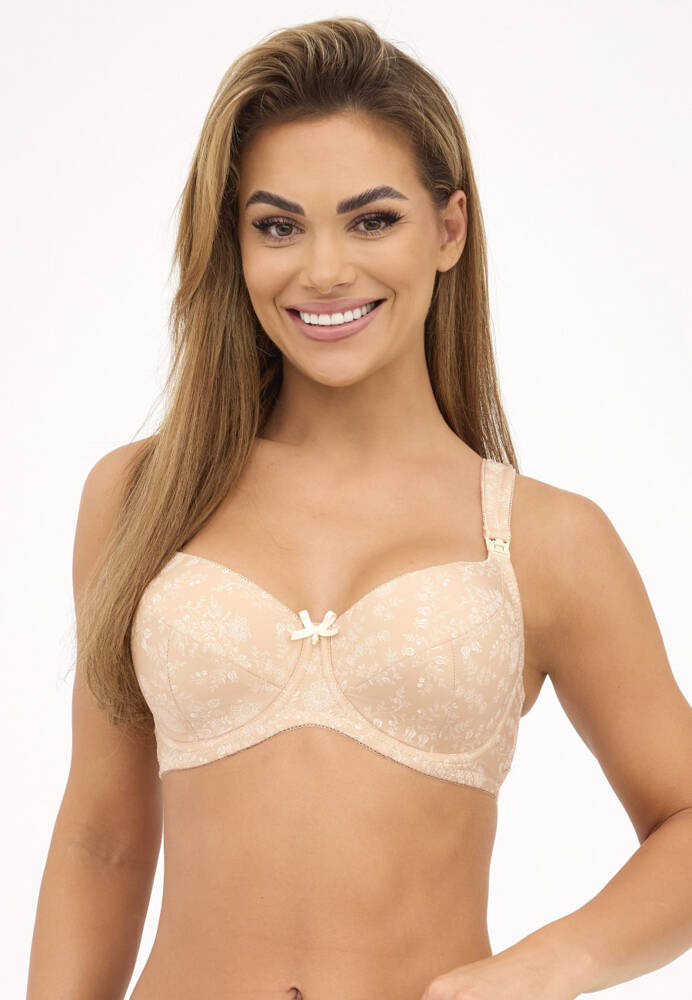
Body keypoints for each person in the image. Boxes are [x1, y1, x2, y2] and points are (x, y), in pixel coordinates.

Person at [26, 16, 692, 1000]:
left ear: (448, 230)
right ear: (235, 243)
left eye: (371, 220)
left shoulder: (545, 539)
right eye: (277, 226)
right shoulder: (139, 497)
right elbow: (101, 840)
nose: (324, 270)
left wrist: (545, 966)